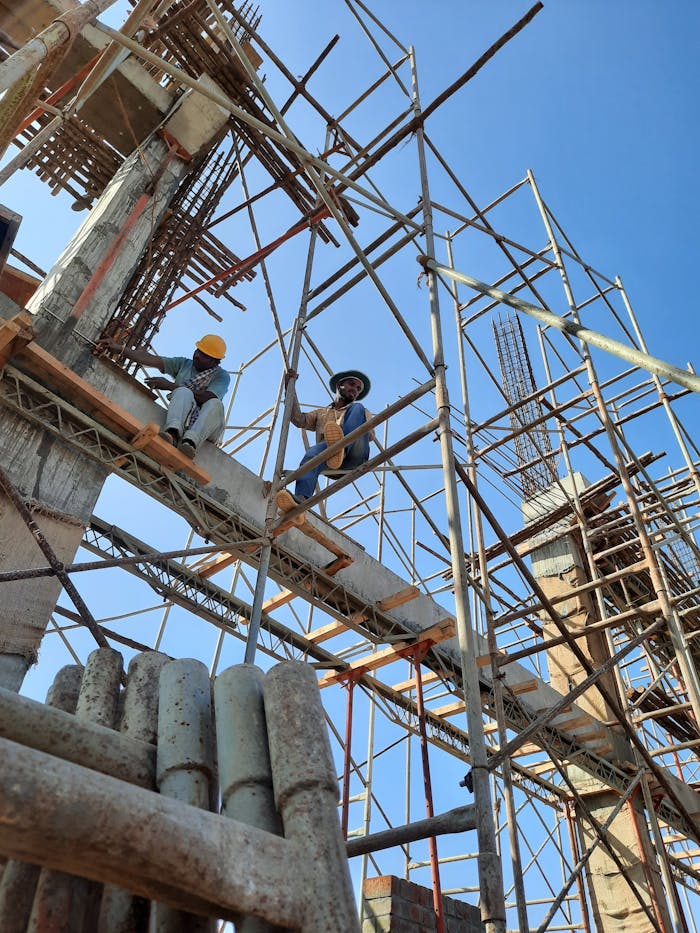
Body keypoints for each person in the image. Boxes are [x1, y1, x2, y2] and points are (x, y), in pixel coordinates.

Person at [97, 334, 230, 459]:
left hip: (207, 427)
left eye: (203, 355)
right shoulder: (185, 364)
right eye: (197, 350)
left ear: (215, 362)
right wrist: (119, 348)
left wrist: (169, 386)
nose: (197, 355)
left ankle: (191, 443)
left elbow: (207, 397)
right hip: (183, 420)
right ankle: (172, 433)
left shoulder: (221, 376)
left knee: (215, 404)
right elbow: (150, 359)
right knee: (184, 392)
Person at [276, 368, 372, 512]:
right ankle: (301, 500)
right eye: (352, 384)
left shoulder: (359, 411)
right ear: (339, 385)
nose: (355, 390)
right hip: (330, 459)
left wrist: (352, 427)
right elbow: (298, 419)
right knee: (312, 453)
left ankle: (342, 447)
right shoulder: (322, 413)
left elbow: (369, 436)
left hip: (354, 455)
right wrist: (289, 388)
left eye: (358, 389)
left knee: (357, 408)